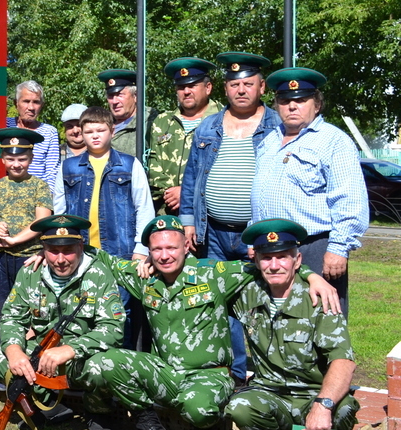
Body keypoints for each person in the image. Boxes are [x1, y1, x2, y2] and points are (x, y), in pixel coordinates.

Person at [86, 216, 338, 430]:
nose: (164, 256)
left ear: (186, 246)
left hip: (208, 375)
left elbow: (268, 263)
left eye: (171, 248)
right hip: (165, 372)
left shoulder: (214, 274)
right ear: (149, 252)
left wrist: (311, 275)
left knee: (199, 409)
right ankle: (150, 429)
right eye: (157, 249)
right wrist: (51, 250)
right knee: (107, 362)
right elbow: (105, 260)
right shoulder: (144, 279)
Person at [226, 220, 358, 430]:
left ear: (297, 260)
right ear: (256, 259)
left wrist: (322, 405)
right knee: (240, 406)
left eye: (282, 256)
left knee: (345, 407)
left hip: (313, 392)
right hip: (271, 392)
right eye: (267, 257)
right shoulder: (246, 292)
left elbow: (343, 360)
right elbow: (204, 273)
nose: (274, 265)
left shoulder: (318, 297)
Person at [180, 52, 279, 385]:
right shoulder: (209, 125)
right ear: (225, 88)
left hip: (262, 235)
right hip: (213, 234)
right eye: (234, 84)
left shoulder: (277, 125)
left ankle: (269, 375)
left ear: (261, 86)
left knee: (265, 305)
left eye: (248, 84)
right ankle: (234, 375)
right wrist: (188, 220)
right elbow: (192, 176)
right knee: (220, 307)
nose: (241, 90)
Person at [0, 215, 125, 430]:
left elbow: (113, 328)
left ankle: (98, 412)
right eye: (53, 251)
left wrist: (70, 349)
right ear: (43, 249)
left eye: (68, 250)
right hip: (42, 358)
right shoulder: (30, 274)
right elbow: (12, 317)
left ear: (80, 247)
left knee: (103, 366)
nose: (60, 259)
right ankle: (40, 407)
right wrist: (14, 350)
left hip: (80, 359)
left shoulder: (99, 274)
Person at [251, 68, 369, 316]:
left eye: (301, 100)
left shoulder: (334, 141)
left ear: (316, 105)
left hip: (315, 247)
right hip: (272, 247)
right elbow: (260, 193)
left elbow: (349, 201)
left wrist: (338, 248)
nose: (292, 106)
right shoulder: (269, 141)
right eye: (285, 101)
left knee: (322, 322)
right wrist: (254, 234)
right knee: (279, 321)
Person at [54, 106, 153, 261]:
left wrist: (141, 247)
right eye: (88, 132)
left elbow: (144, 207)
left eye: (100, 131)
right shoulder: (67, 167)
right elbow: (60, 212)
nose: (95, 136)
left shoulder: (130, 164)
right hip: (80, 252)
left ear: (112, 132)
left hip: (122, 251)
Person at [0, 128, 53, 311]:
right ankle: (8, 338)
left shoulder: (40, 186)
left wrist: (14, 240)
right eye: (11, 159)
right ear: (3, 159)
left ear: (31, 158)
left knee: (32, 304)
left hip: (30, 256)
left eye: (22, 159)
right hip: (0, 256)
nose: (16, 164)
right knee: (5, 303)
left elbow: (41, 222)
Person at [148, 58, 221, 215]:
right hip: (168, 210)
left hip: (209, 213)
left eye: (192, 86)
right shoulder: (162, 121)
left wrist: (186, 193)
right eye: (181, 87)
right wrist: (172, 193)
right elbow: (152, 164)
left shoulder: (223, 119)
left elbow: (226, 168)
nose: (186, 91)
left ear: (208, 87)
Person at [5, 80, 61, 194]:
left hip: (36, 195)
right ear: (16, 103)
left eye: (36, 102)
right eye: (26, 101)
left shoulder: (49, 132)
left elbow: (52, 173)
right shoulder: (4, 126)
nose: (31, 107)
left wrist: (43, 200)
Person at [97, 69, 156, 159]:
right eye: (110, 96)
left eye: (120, 95)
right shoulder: (100, 123)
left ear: (135, 96)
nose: (114, 101)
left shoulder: (149, 123)